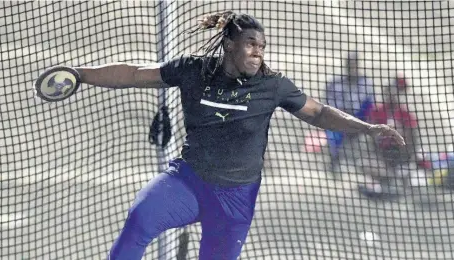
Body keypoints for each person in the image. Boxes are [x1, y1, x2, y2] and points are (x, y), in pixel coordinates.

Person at [64, 11, 404, 260]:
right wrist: (79, 74)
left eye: (262, 47)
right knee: (139, 222)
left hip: (235, 202)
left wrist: (368, 127)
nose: (259, 53)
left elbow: (318, 112)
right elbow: (134, 74)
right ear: (228, 44)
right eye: (251, 44)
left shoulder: (272, 85)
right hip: (188, 181)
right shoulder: (193, 70)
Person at [356, 72, 419, 198]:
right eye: (390, 91)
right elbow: (369, 133)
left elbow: (413, 138)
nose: (392, 96)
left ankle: (394, 179)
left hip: (400, 155)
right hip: (380, 155)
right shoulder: (377, 111)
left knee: (407, 172)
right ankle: (388, 180)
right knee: (363, 164)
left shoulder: (405, 114)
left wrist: (400, 135)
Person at [324, 52, 375, 174]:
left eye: (354, 65)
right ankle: (334, 161)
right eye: (349, 65)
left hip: (358, 121)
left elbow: (369, 106)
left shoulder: (366, 83)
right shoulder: (335, 83)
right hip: (338, 119)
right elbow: (328, 103)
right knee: (332, 133)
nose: (352, 69)